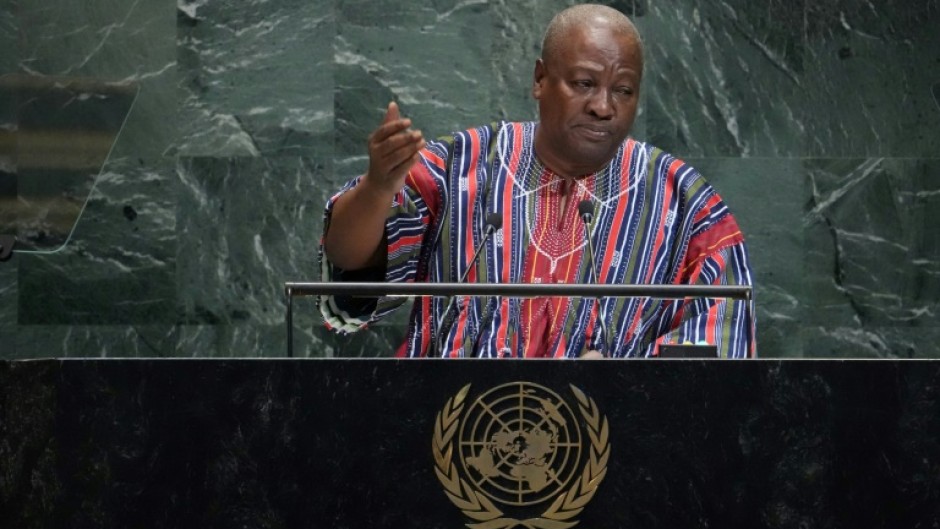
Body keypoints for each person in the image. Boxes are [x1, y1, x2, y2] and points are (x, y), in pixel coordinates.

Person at [320, 4, 755, 358]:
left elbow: (721, 353)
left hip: (613, 446)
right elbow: (349, 260)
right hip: (449, 432)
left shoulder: (684, 201)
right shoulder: (461, 163)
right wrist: (378, 189)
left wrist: (628, 384)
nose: (604, 107)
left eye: (623, 90)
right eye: (584, 83)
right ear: (540, 79)